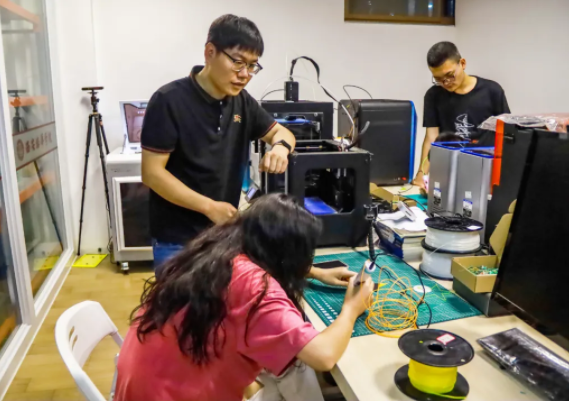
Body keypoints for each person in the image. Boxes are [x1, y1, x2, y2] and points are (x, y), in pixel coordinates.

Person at [114, 194, 374, 401]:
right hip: (172, 393)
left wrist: (313, 271)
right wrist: (352, 308)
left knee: (289, 367)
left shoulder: (216, 251)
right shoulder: (256, 289)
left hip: (146, 385)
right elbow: (324, 356)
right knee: (296, 366)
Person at [141, 15, 297, 274]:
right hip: (177, 241)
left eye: (252, 66)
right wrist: (209, 207)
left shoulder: (242, 102)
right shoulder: (168, 100)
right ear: (210, 52)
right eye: (237, 62)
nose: (245, 74)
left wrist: (281, 147)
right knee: (179, 302)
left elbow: (282, 132)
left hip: (222, 236)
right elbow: (152, 173)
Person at [413, 41, 510, 189]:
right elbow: (431, 138)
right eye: (438, 79)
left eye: (449, 75)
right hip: (449, 172)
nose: (446, 82)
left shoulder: (492, 91)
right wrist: (421, 174)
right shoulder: (434, 95)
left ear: (462, 63)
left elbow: (506, 135)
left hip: (485, 170)